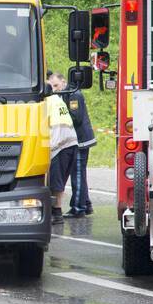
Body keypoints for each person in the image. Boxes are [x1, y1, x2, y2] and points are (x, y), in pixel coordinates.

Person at [46, 70, 78, 224]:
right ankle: (56, 211)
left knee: (56, 181)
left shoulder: (47, 102)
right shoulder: (57, 100)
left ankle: (56, 213)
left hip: (59, 144)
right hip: (70, 142)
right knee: (60, 180)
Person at [61, 75, 96, 216]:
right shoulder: (68, 94)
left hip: (80, 140)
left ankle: (78, 207)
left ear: (64, 82)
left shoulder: (73, 95)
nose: (55, 89)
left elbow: (76, 117)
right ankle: (86, 203)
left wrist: (61, 115)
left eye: (57, 86)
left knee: (78, 174)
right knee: (80, 173)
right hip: (78, 139)